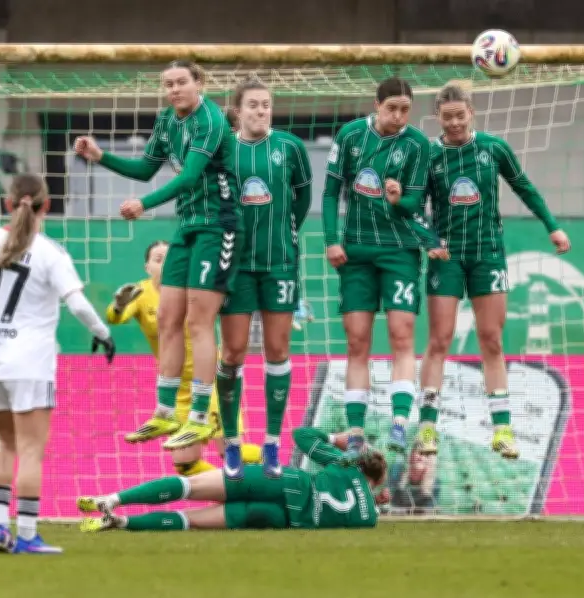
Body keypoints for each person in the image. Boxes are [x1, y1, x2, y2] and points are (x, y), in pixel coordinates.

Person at [74, 60, 240, 450]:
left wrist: (144, 204)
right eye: (168, 84)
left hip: (220, 225)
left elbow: (187, 177)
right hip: (188, 225)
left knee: (199, 322)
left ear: (199, 83)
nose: (174, 90)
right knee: (167, 316)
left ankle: (201, 414)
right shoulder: (168, 120)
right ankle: (166, 412)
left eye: (181, 82)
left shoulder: (211, 120)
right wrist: (101, 157)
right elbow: (147, 168)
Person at [0, 174, 115, 554]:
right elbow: (77, 303)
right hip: (29, 362)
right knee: (30, 449)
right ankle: (26, 535)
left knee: (4, 442)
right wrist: (103, 332)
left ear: (8, 205)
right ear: (47, 206)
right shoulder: (50, 252)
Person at [416, 84, 570, 458]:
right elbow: (413, 207)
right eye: (447, 116)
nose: (454, 122)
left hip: (488, 253)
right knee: (440, 340)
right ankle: (427, 427)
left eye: (460, 114)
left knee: (492, 339)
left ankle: (502, 429)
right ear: (438, 116)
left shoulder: (493, 148)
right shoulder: (428, 155)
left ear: (472, 112)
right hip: (448, 257)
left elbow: (525, 187)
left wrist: (552, 225)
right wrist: (429, 240)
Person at [322, 77, 449, 458]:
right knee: (357, 340)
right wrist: (331, 239)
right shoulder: (349, 136)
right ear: (376, 105)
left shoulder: (417, 145)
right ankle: (356, 431)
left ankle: (398, 422)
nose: (398, 116)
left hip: (399, 250)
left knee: (401, 332)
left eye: (405, 109)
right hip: (357, 251)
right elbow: (330, 193)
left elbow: (414, 205)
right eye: (391, 107)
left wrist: (399, 198)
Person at [217, 77, 313, 479]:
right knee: (234, 352)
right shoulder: (223, 149)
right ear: (238, 110)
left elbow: (303, 198)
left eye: (267, 105)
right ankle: (232, 442)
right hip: (235, 265)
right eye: (253, 105)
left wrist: (285, 234)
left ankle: (272, 442)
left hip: (279, 263)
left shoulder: (290, 147)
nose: (261, 111)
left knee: (277, 350)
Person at [106, 240, 261, 472]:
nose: (165, 264)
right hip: (175, 389)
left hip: (209, 383)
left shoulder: (195, 289)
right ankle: (228, 493)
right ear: (147, 267)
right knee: (185, 465)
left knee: (231, 452)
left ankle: (277, 472)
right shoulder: (140, 292)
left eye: (171, 259)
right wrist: (118, 306)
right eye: (158, 260)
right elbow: (115, 319)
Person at [77, 427, 387, 532]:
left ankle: (113, 500)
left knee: (190, 486)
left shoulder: (346, 465)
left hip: (285, 482)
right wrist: (372, 500)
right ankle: (122, 523)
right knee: (192, 520)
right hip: (282, 517)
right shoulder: (369, 517)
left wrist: (339, 438)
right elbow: (351, 505)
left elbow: (302, 436)